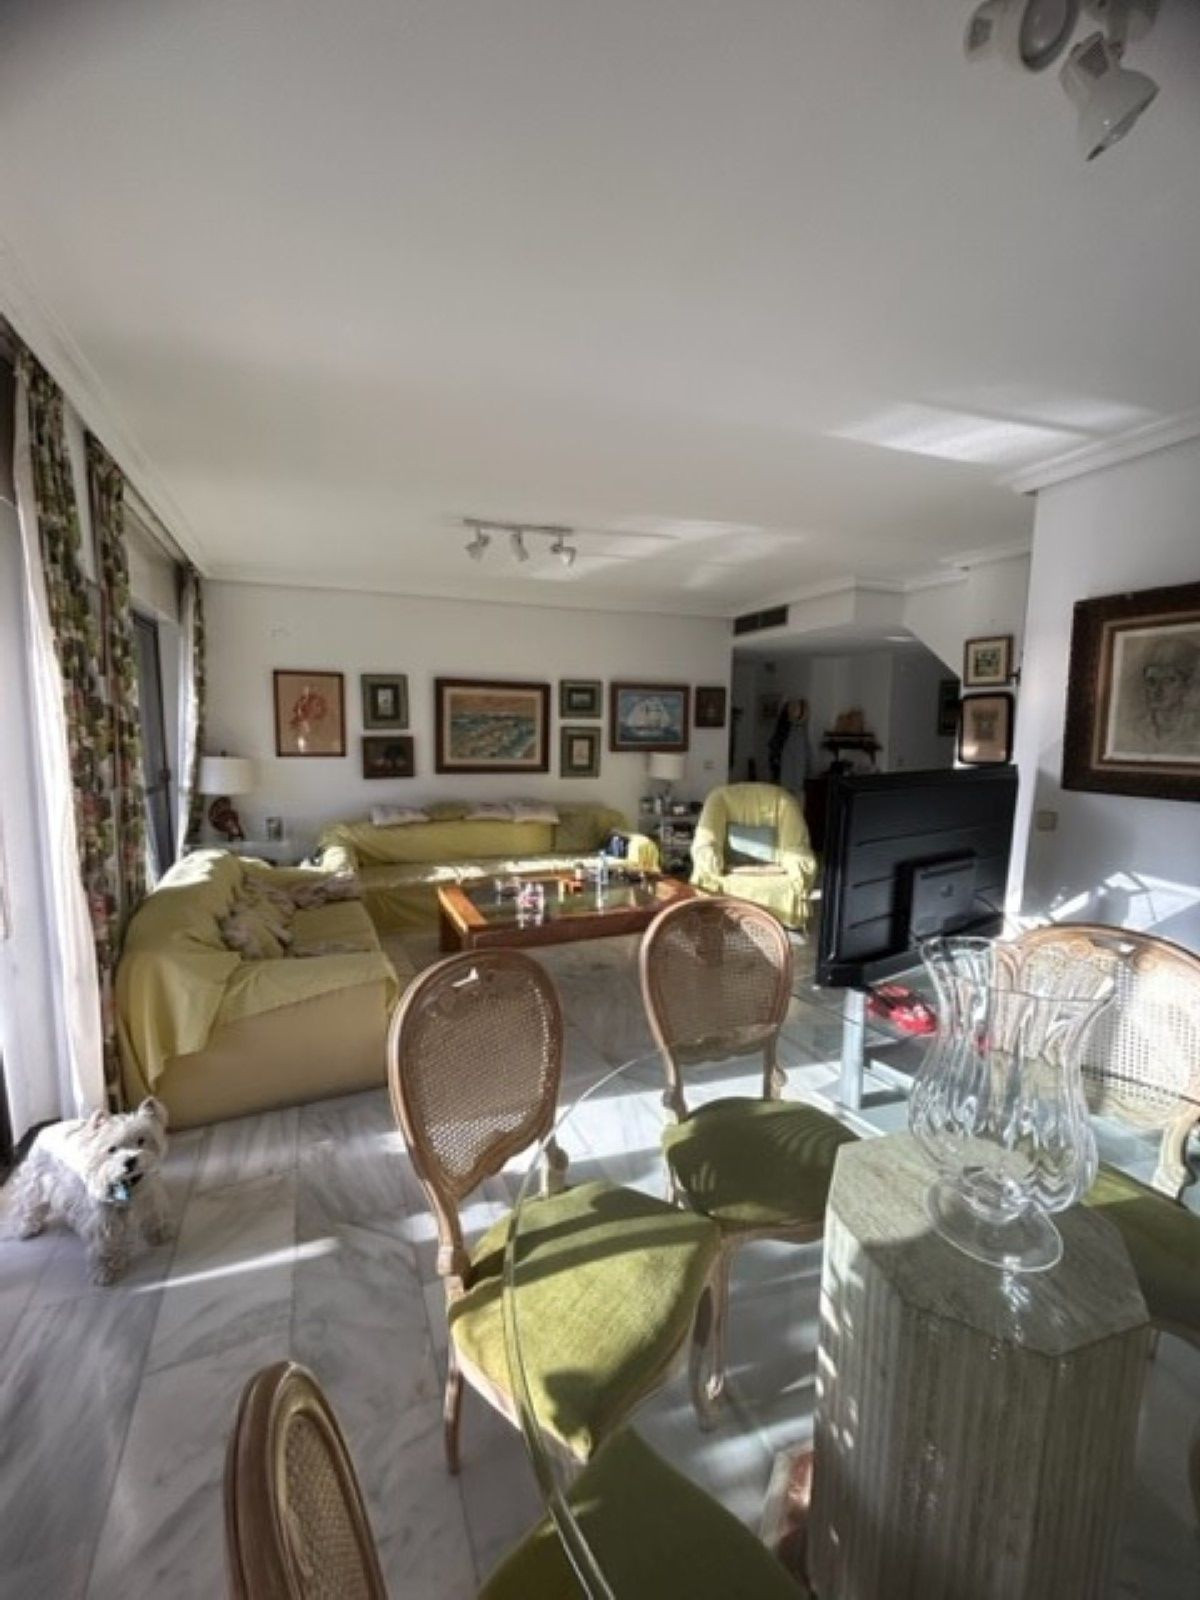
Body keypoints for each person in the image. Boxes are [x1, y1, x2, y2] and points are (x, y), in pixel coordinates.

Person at [768, 698, 812, 794]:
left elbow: (806, 756)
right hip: (789, 781)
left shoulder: (799, 730)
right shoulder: (792, 731)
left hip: (792, 781)